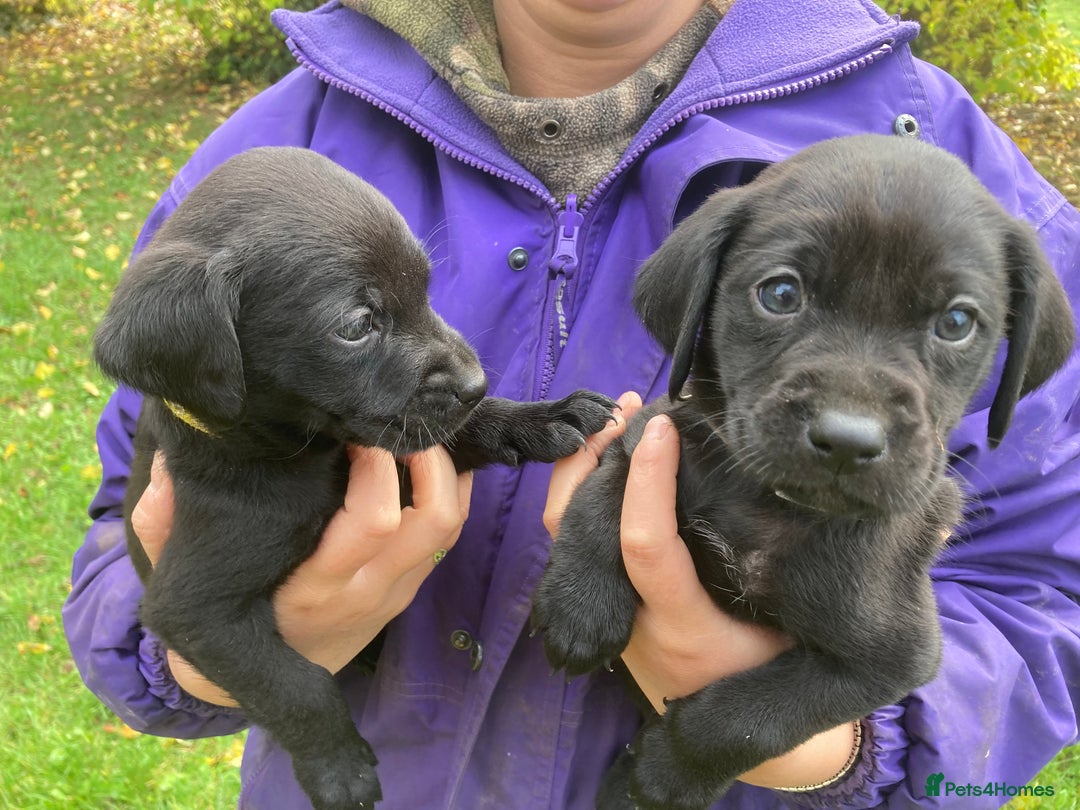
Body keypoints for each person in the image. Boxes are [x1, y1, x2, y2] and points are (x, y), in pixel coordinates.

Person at [63, 0, 1080, 807]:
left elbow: (1049, 597)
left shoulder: (958, 171)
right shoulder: (285, 148)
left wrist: (825, 741)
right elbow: (128, 529)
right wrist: (211, 659)